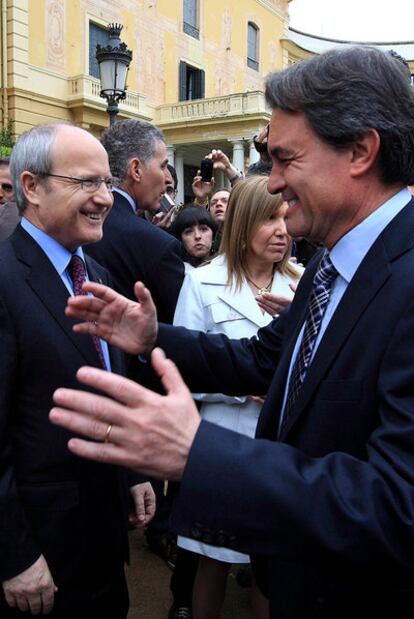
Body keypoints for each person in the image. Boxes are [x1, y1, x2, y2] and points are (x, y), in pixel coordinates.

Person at [51, 46, 414, 618]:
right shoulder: (330, 263)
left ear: (361, 151)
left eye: (285, 160)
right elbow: (264, 359)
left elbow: (398, 507)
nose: (271, 185)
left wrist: (198, 454)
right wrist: (153, 338)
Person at [0, 122, 155, 618]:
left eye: (107, 182)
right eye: (86, 183)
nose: (104, 198)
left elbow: (111, 384)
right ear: (31, 187)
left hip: (102, 537)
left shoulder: (98, 277)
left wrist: (130, 471)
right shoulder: (4, 279)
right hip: (40, 549)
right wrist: (14, 554)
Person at [174, 175, 302, 619]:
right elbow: (182, 371)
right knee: (212, 559)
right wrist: (242, 387)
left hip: (283, 449)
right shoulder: (202, 282)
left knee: (271, 561)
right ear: (244, 224)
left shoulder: (303, 285)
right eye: (270, 218)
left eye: (285, 216)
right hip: (222, 443)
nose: (282, 230)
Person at [85, 118, 184, 324]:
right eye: (163, 166)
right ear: (136, 170)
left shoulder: (78, 226)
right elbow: (177, 326)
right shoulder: (158, 245)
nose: (167, 178)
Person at [171, 205, 217, 270]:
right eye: (189, 232)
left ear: (213, 234)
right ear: (181, 239)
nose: (197, 236)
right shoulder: (174, 271)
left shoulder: (226, 267)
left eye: (203, 229)